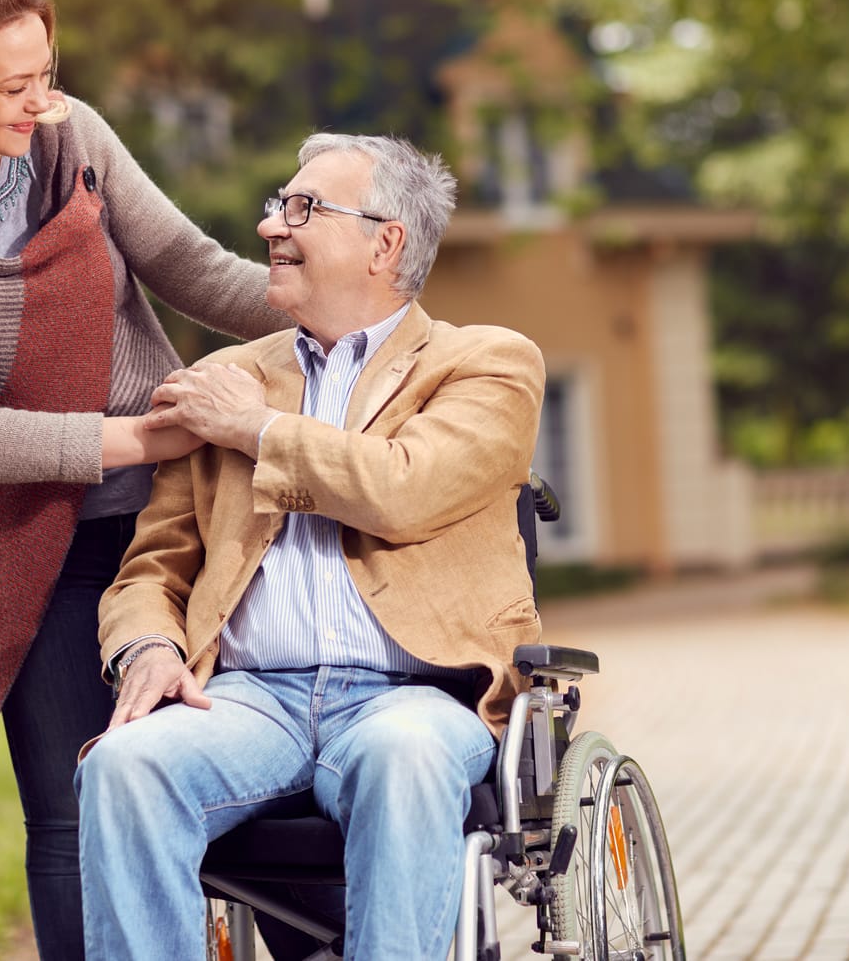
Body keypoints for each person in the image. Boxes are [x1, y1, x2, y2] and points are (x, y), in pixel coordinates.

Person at [0, 0, 289, 961]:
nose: (39, 101)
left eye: (47, 72)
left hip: (182, 519)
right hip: (41, 545)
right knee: (70, 806)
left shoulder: (68, 138)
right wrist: (130, 438)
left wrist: (349, 304)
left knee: (262, 771)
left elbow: (191, 270)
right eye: (13, 85)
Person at [75, 133, 546, 961]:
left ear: (385, 240)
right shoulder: (233, 376)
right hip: (252, 698)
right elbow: (154, 566)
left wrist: (255, 430)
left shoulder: (487, 365)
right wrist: (147, 645)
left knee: (402, 756)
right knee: (123, 766)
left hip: (414, 694)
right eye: (274, 206)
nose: (270, 228)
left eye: (301, 209)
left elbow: (403, 488)